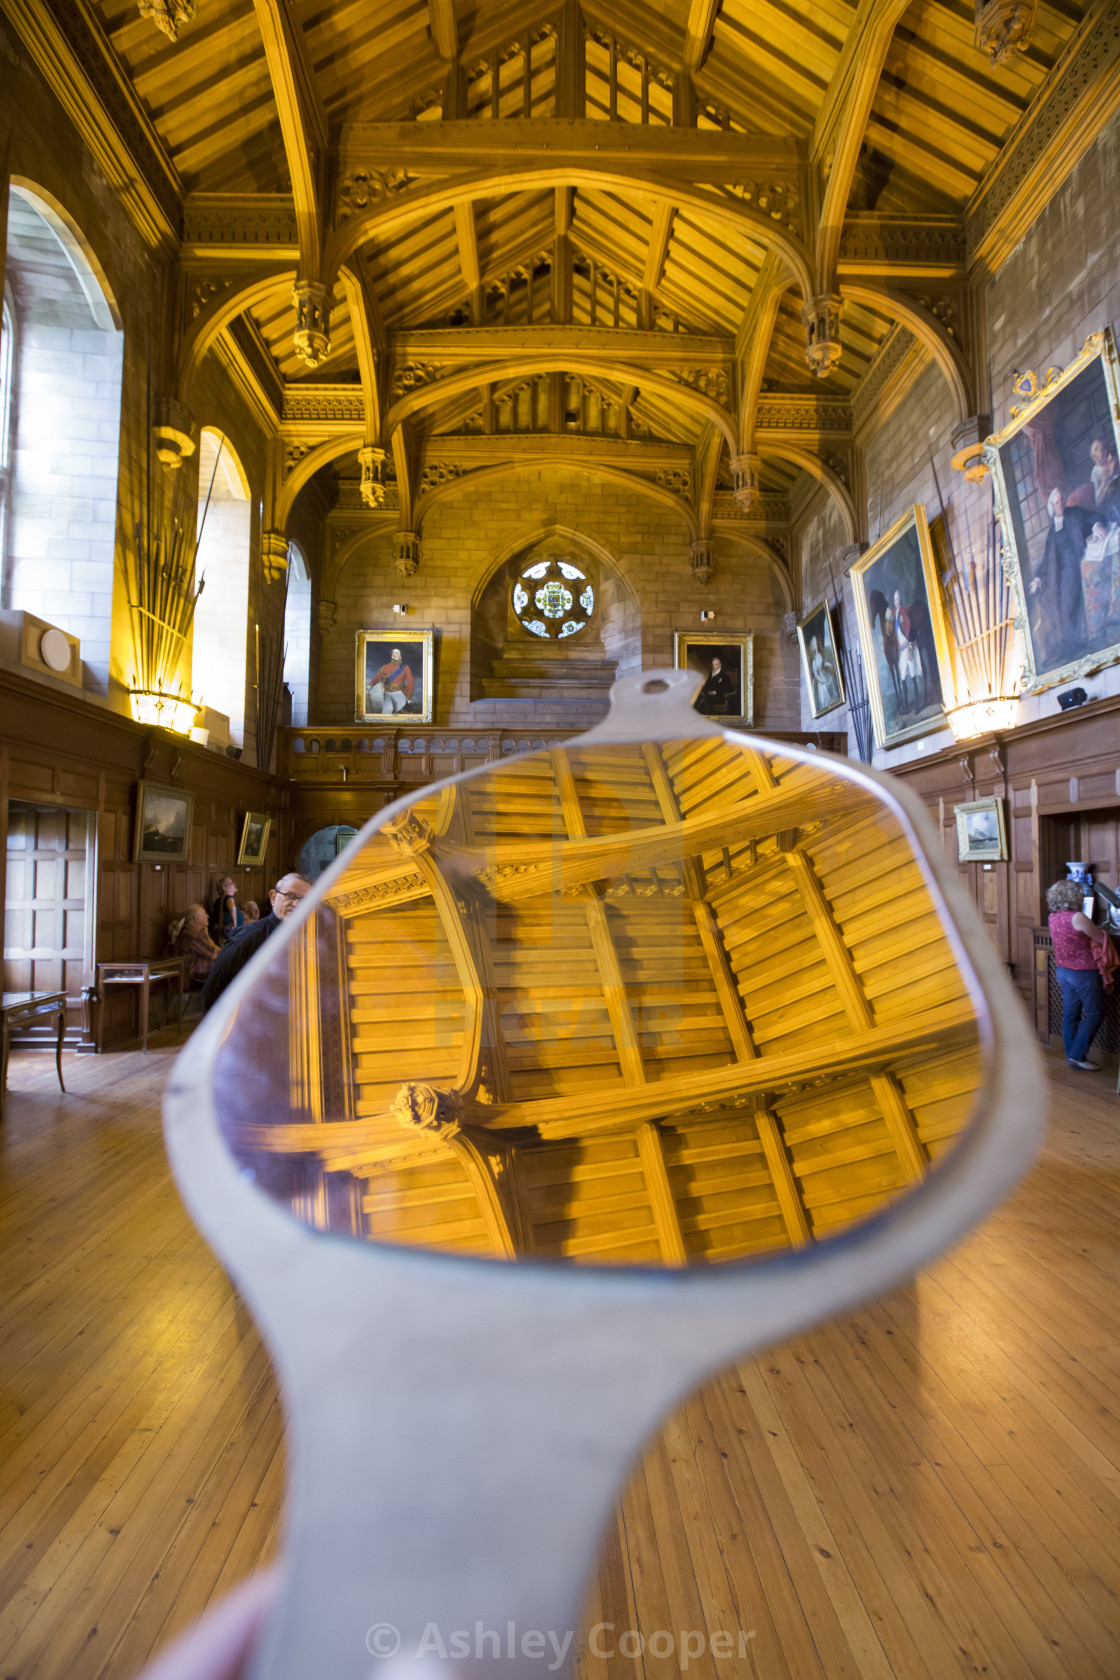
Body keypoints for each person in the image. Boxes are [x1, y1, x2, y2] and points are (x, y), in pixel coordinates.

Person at [200, 873, 312, 1013]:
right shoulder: (247, 938)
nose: (297, 904)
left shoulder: (311, 937)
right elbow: (213, 992)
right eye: (290, 896)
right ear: (273, 897)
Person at [1046, 878, 1106, 1070]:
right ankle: (1077, 1055)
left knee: (1070, 1015)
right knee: (1095, 1013)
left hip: (1063, 971)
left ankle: (1072, 1056)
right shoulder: (1078, 917)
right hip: (1084, 973)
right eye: (1080, 893)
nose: (1083, 896)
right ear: (1072, 896)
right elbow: (1100, 937)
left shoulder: (1052, 917)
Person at [1028, 489, 1094, 663]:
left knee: (1068, 601)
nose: (1060, 505)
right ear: (1052, 505)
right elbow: (1048, 558)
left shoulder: (1075, 514)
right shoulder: (1052, 531)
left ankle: (1075, 640)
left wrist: (1096, 525)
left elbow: (1092, 518)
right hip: (1058, 574)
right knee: (1053, 602)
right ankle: (1067, 641)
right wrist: (1038, 578)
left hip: (1074, 566)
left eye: (1061, 501)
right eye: (1056, 502)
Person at [173, 903, 221, 989]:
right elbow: (213, 954)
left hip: (202, 974)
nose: (208, 916)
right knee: (233, 980)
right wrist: (207, 936)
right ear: (197, 919)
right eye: (204, 914)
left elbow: (219, 951)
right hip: (193, 978)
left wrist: (207, 936)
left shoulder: (195, 933)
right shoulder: (192, 935)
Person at [368, 648, 414, 714]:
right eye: (396, 653)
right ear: (392, 655)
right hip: (387, 694)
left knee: (400, 716)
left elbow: (410, 682)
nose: (399, 654)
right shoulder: (385, 667)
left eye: (399, 653)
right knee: (385, 715)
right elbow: (378, 677)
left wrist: (409, 696)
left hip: (399, 693)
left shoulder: (405, 667)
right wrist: (370, 685)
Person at [210, 875, 245, 945]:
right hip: (230, 935)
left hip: (229, 935)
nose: (234, 884)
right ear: (224, 888)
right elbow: (232, 908)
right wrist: (234, 923)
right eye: (231, 883)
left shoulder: (219, 900)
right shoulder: (228, 897)